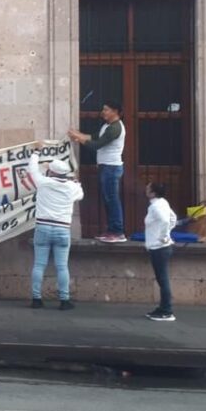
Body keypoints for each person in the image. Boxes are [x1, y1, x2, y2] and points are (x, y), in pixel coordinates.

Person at [26, 150, 84, 310]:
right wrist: (76, 182)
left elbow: (32, 169)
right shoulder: (72, 188)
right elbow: (80, 195)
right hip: (62, 229)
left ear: (51, 171)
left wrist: (36, 152)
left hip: (43, 227)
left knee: (39, 265)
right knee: (62, 266)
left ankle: (36, 299)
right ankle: (64, 300)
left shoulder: (43, 182)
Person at [69, 101, 126, 243]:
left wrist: (79, 139)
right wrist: (79, 134)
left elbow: (97, 144)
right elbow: (94, 137)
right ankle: (111, 231)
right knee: (108, 199)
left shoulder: (115, 128)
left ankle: (118, 232)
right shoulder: (107, 126)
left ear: (115, 111)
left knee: (112, 200)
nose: (103, 112)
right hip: (106, 167)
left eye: (106, 109)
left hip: (111, 167)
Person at [144, 182, 177, 322]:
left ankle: (167, 310)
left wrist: (163, 236)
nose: (146, 190)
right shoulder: (162, 203)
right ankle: (163, 307)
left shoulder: (156, 206)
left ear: (153, 192)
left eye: (148, 188)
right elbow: (173, 218)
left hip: (159, 247)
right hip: (160, 246)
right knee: (161, 279)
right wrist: (168, 232)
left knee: (162, 279)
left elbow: (165, 220)